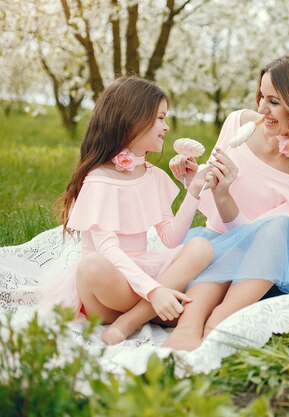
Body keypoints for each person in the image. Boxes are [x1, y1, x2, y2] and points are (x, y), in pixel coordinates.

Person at [162, 52, 289, 351]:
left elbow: (271, 245)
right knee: (216, 248)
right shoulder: (238, 124)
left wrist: (226, 195)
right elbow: (214, 218)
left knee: (276, 226)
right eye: (261, 96)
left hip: (267, 276)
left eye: (274, 101)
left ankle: (218, 321)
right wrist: (195, 181)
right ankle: (189, 326)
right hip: (221, 248)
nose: (262, 109)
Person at [38, 76, 214, 345]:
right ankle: (153, 310)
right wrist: (155, 291)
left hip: (144, 279)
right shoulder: (98, 179)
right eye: (160, 118)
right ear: (132, 119)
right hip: (109, 291)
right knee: (92, 264)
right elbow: (108, 249)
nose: (166, 127)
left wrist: (194, 189)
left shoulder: (153, 176)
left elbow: (170, 238)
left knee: (201, 247)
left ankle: (131, 320)